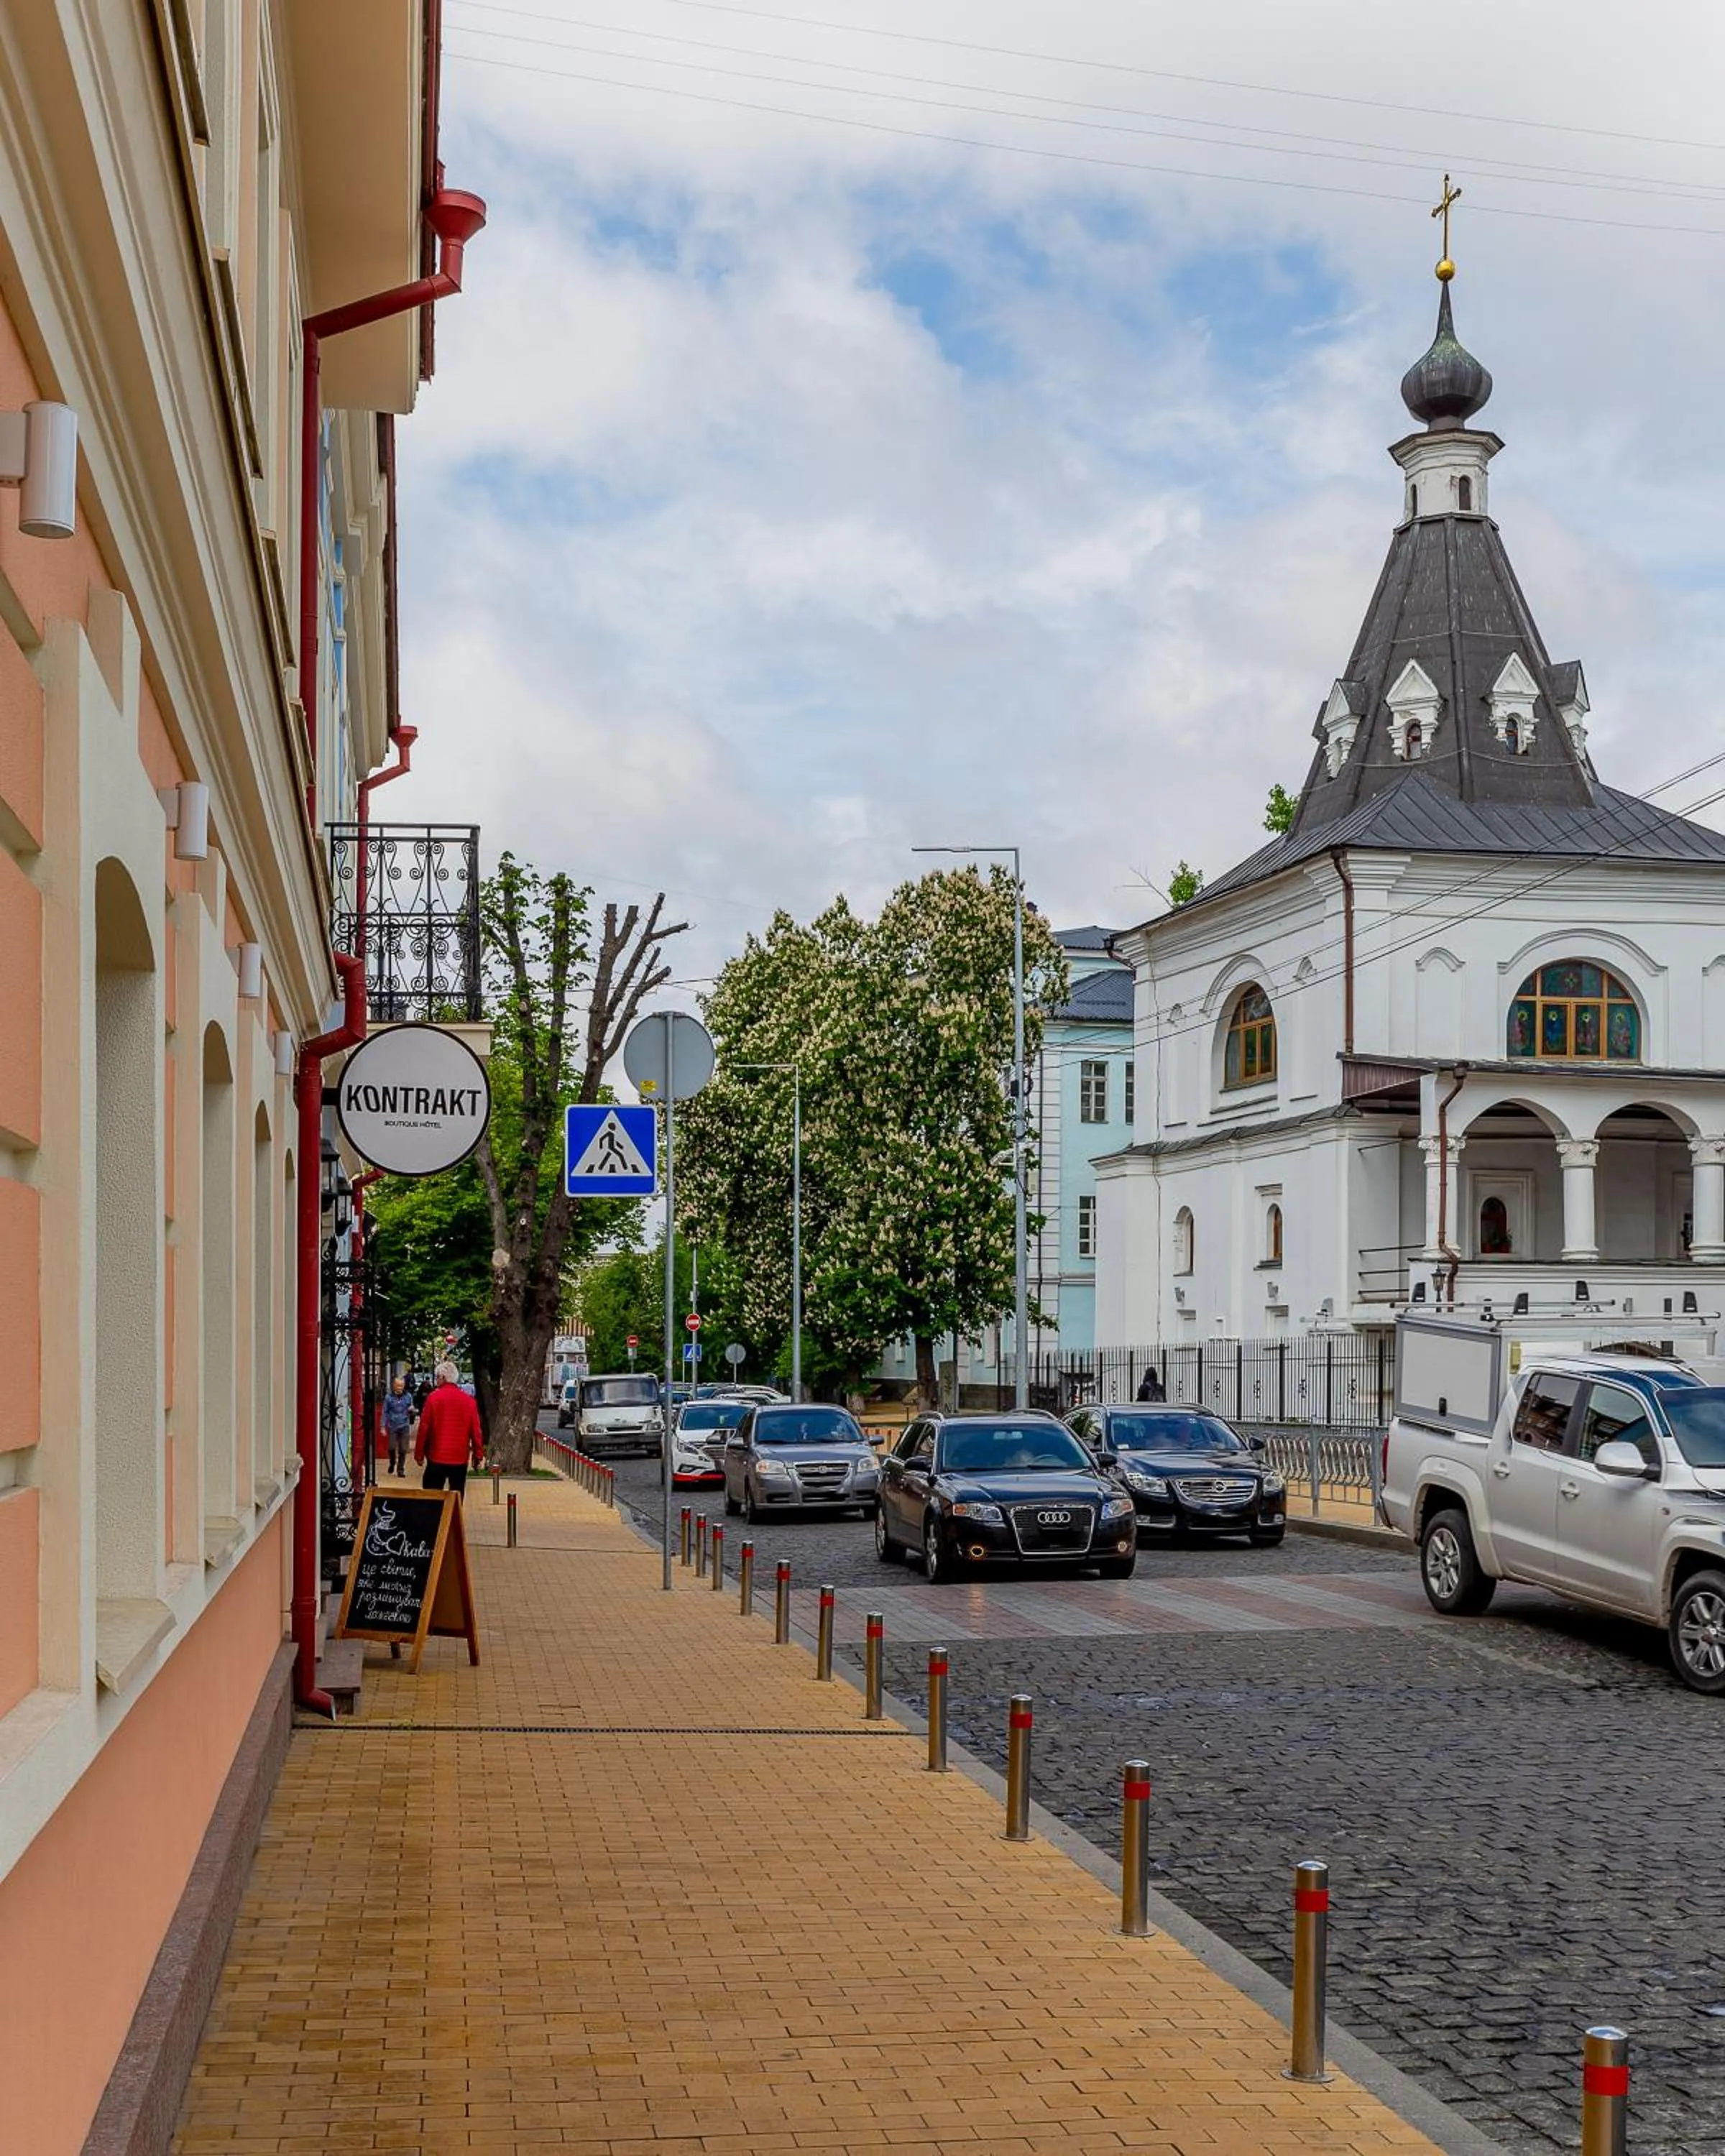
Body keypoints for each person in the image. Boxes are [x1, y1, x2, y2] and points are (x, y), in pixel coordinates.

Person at [415, 1360, 485, 1495]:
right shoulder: (469, 1401)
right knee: (457, 1496)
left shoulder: (433, 1398)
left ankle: (434, 1515)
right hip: (459, 1457)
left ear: (443, 1378)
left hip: (436, 1455)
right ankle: (454, 1516)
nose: (436, 1381)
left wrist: (419, 1454)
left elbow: (424, 1429)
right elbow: (476, 1431)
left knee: (432, 1496)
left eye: (438, 1378)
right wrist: (478, 1455)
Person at [381, 1376, 415, 1478]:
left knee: (403, 1449)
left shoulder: (408, 1396)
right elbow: (385, 1412)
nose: (400, 1388)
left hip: (404, 1425)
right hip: (392, 1426)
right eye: (398, 1386)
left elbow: (412, 1411)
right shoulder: (388, 1397)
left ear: (404, 1386)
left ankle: (401, 1469)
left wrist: (412, 1410)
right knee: (391, 1447)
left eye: (402, 1386)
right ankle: (392, 1462)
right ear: (394, 1386)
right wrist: (383, 1427)